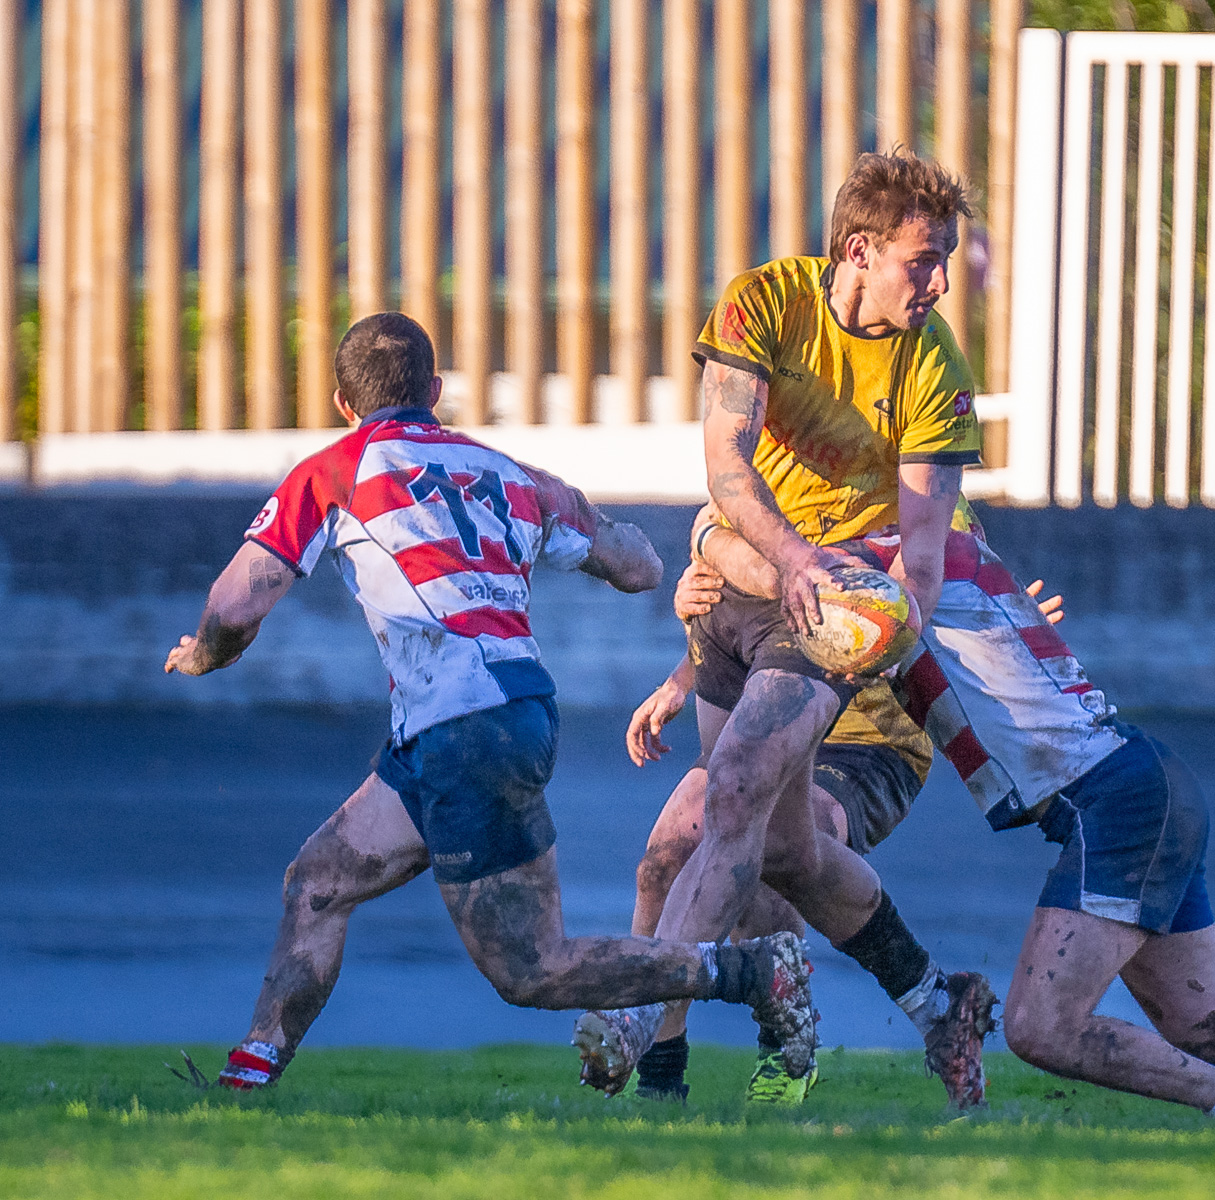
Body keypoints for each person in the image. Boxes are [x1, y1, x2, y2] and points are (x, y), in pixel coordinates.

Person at [667, 514, 1215, 1122]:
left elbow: (785, 587)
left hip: (1117, 800)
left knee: (1045, 1028)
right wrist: (697, 629)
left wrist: (709, 560)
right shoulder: (932, 564)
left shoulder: (889, 574)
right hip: (1147, 787)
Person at [162, 313, 815, 1090]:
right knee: (319, 881)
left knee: (534, 969)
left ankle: (749, 971)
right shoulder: (508, 473)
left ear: (344, 403)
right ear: (434, 393)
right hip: (486, 717)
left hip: (464, 729)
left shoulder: (334, 471)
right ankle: (252, 1070)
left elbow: (237, 605)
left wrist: (204, 655)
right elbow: (637, 564)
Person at [576, 150, 998, 1111]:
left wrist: (847, 609)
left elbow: (921, 564)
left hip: (843, 628)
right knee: (783, 854)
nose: (938, 284)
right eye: (922, 261)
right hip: (755, 602)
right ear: (860, 248)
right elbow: (726, 471)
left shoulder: (935, 367)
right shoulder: (764, 305)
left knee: (723, 809)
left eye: (944, 263)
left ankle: (647, 1025)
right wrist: (720, 623)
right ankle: (939, 1006)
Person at [610, 549, 1063, 1104]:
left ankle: (786, 1048)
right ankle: (657, 1082)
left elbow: (939, 585)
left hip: (869, 737)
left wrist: (997, 633)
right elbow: (738, 604)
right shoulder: (760, 493)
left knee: (779, 853)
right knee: (667, 853)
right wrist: (683, 674)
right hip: (766, 708)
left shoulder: (909, 494)